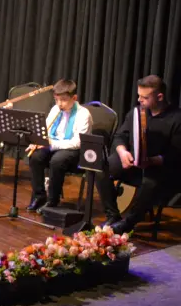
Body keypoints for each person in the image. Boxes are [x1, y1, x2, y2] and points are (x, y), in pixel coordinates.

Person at [100, 75, 181, 234]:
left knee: (151, 182)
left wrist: (151, 161)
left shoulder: (177, 118)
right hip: (133, 162)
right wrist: (122, 152)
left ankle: (128, 223)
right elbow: (120, 136)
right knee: (101, 166)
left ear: (159, 97)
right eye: (139, 95)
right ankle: (113, 215)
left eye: (145, 97)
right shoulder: (137, 112)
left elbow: (175, 156)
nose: (139, 100)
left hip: (161, 168)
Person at [26, 79, 89, 212]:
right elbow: (46, 131)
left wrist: (52, 144)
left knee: (57, 160)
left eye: (63, 100)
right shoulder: (55, 109)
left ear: (74, 98)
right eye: (56, 100)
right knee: (35, 157)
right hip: (55, 145)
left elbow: (77, 142)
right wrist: (38, 141)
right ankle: (39, 196)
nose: (59, 104)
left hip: (73, 150)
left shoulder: (83, 114)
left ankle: (52, 200)